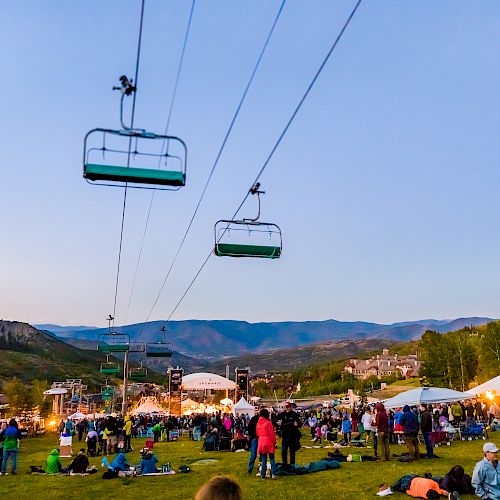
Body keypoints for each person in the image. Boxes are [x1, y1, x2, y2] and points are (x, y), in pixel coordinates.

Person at [256, 408, 277, 479]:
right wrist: (274, 442)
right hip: (268, 441)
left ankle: (263, 475)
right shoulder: (268, 423)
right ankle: (273, 474)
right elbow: (272, 434)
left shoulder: (258, 423)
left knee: (264, 459)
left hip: (261, 441)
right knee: (272, 458)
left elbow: (257, 433)